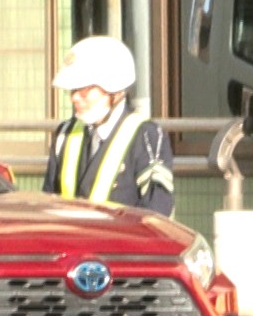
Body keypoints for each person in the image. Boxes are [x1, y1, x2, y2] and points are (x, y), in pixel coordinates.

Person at [42, 35, 176, 216]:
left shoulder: (147, 137)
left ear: (117, 92)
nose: (75, 97)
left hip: (123, 243)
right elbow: (48, 201)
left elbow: (158, 212)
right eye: (73, 90)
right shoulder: (65, 134)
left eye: (85, 89)